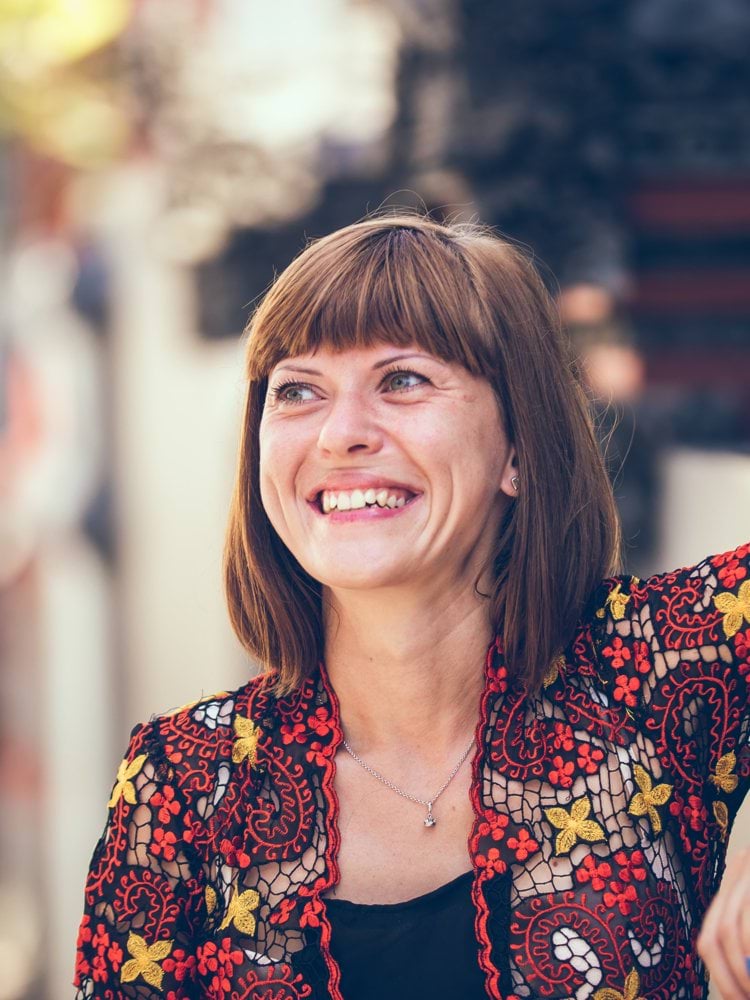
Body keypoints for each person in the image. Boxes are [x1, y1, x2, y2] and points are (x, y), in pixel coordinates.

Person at [73, 215, 750, 999]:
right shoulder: (185, 782)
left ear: (519, 449)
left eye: (403, 380)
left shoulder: (666, 662)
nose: (341, 434)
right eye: (297, 391)